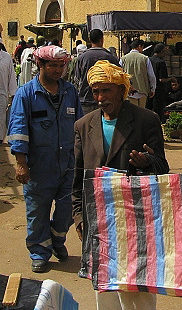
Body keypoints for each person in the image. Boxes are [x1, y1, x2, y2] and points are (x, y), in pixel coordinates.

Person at [72, 60, 169, 310]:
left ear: (121, 90)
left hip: (136, 220)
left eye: (107, 90)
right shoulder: (84, 125)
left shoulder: (147, 120)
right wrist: (79, 216)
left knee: (138, 289)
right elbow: (77, 177)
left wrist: (148, 161)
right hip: (100, 221)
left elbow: (162, 168)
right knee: (105, 289)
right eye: (96, 91)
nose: (101, 97)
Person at [7, 45, 83, 273]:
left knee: (68, 209)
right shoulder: (26, 94)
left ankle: (56, 238)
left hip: (68, 164)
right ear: (40, 65)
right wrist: (21, 163)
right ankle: (40, 252)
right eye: (53, 65)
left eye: (62, 66)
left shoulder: (70, 92)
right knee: (37, 212)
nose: (59, 70)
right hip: (38, 166)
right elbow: (19, 129)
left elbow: (79, 127)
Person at [73, 28, 120, 114]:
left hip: (86, 100)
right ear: (102, 39)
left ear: (90, 40)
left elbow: (77, 80)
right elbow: (119, 78)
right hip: (106, 101)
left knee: (87, 126)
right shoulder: (110, 57)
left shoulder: (82, 58)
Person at [120, 39, 156, 108]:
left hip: (129, 92)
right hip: (143, 90)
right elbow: (151, 75)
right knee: (141, 113)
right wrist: (152, 89)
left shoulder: (123, 59)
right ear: (139, 46)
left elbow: (120, 74)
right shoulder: (145, 58)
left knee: (132, 113)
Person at [147, 43, 171, 122]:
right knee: (157, 109)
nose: (165, 54)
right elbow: (162, 79)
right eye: (164, 52)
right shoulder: (161, 62)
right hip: (158, 89)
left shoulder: (148, 60)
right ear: (160, 52)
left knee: (148, 108)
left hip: (148, 88)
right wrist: (171, 79)